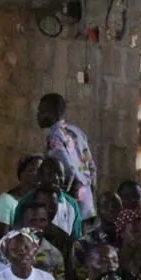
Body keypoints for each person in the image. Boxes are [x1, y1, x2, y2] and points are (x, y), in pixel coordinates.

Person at [39, 92, 98, 221]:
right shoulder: (77, 132)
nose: (38, 115)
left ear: (52, 112)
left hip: (73, 202)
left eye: (41, 111)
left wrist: (64, 194)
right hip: (87, 200)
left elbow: (66, 169)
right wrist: (90, 190)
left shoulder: (54, 136)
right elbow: (91, 166)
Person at [0, 209, 67, 280]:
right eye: (33, 221)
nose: (38, 224)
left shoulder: (55, 254)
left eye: (42, 220)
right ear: (22, 223)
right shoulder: (0, 252)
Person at [14, 158, 82, 241]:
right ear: (40, 177)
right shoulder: (26, 202)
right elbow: (17, 234)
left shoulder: (72, 205)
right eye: (50, 174)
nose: (56, 178)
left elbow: (75, 238)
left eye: (60, 174)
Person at [0, 155, 43, 240]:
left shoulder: (41, 201)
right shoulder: (6, 201)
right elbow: (1, 239)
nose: (38, 174)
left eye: (41, 171)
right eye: (33, 170)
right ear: (22, 173)